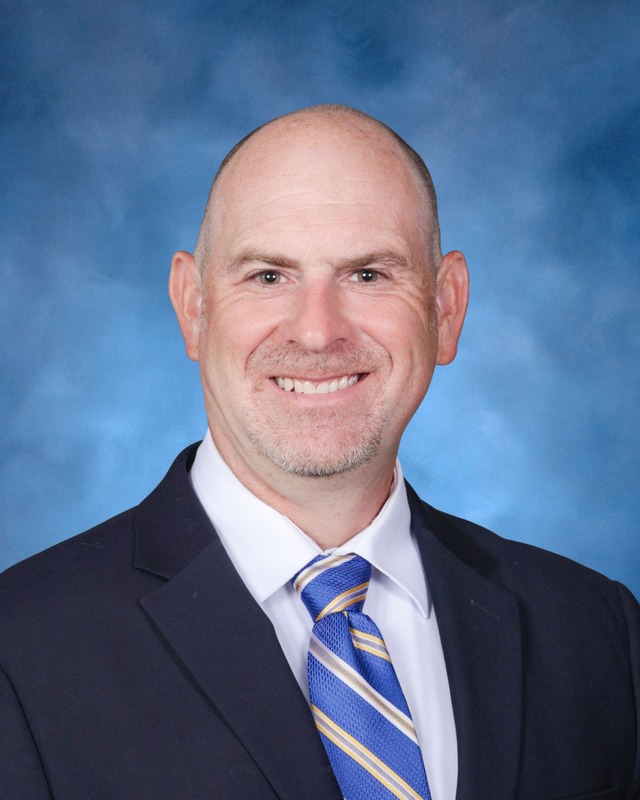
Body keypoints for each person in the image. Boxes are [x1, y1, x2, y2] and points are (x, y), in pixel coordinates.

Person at [0, 105, 638, 800]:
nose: (316, 333)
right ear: (193, 306)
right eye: (269, 276)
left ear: (446, 310)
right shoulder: (20, 649)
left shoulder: (595, 630)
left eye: (368, 274)